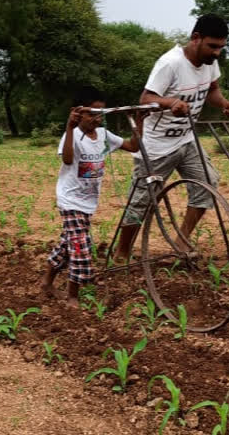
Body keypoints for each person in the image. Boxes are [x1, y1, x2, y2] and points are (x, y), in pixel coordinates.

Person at [114, 14, 229, 261]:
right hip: (157, 146)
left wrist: (223, 103)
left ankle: (181, 240)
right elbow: (146, 99)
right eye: (212, 46)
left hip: (186, 140)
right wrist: (171, 103)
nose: (217, 53)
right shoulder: (170, 64)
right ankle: (122, 253)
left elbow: (212, 90)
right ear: (195, 38)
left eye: (221, 47)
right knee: (141, 202)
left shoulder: (210, 63)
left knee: (208, 183)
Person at [42, 87, 144, 308]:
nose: (97, 118)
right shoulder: (73, 136)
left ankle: (47, 283)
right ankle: (72, 297)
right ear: (78, 113)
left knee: (66, 246)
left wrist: (138, 122)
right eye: (92, 113)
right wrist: (69, 128)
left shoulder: (104, 136)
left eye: (101, 114)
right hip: (70, 200)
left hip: (88, 202)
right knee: (81, 248)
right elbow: (68, 160)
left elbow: (133, 145)